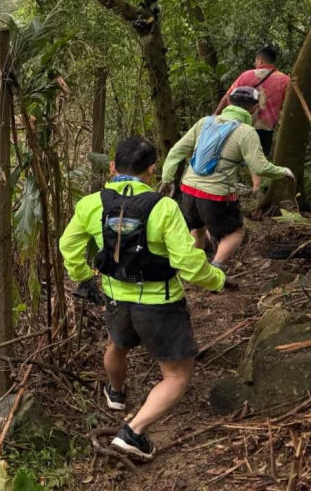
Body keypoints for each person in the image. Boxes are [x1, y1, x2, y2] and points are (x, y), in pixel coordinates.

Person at [59, 137, 228, 461]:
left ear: (112, 167)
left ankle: (117, 394)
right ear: (152, 170)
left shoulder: (91, 204)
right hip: (161, 305)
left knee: (117, 345)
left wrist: (83, 279)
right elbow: (189, 264)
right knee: (177, 375)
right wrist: (216, 279)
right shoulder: (163, 207)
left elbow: (69, 246)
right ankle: (133, 433)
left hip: (115, 298)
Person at [161, 87, 293, 270]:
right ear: (254, 108)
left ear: (229, 102)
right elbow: (259, 167)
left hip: (188, 191)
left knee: (197, 230)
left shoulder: (204, 122)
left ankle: (192, 269)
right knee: (235, 232)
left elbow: (176, 151)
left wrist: (167, 178)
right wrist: (283, 171)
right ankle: (216, 268)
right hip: (216, 195)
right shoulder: (246, 131)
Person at [214, 46, 290, 189]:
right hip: (266, 126)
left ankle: (229, 183)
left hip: (241, 123)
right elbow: (287, 106)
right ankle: (256, 187)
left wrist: (216, 113)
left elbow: (228, 96)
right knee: (258, 156)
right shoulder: (284, 79)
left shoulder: (247, 75)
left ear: (260, 60)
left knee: (233, 153)